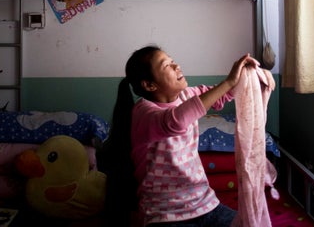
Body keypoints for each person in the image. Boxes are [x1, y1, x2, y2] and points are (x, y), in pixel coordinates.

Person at [98, 45, 261, 227]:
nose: (177, 66)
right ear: (149, 85)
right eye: (166, 65)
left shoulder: (187, 94)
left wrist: (250, 76)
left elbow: (223, 95)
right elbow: (176, 122)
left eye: (173, 61)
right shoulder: (143, 112)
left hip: (205, 204)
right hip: (164, 213)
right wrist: (228, 82)